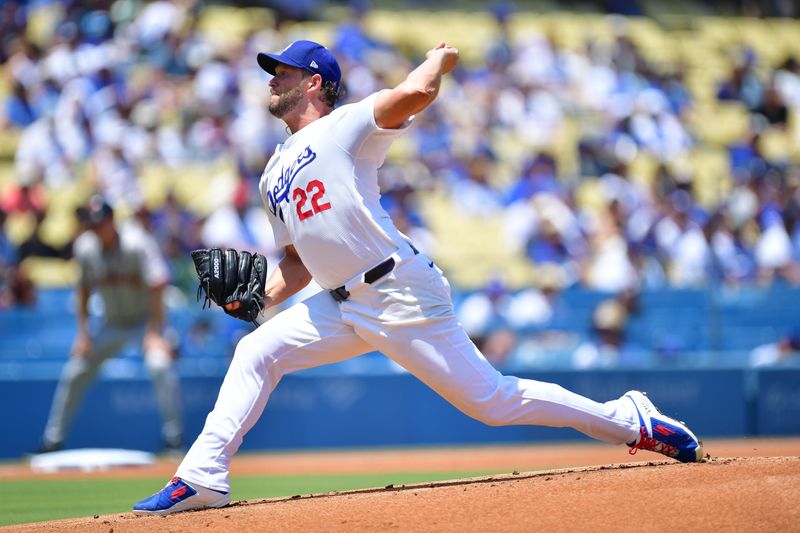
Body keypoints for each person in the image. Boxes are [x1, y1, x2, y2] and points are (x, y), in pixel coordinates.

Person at [133, 40, 703, 515]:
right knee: (256, 350)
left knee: (494, 402)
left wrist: (438, 59)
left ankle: (630, 420)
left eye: (280, 70)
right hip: (340, 304)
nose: (270, 79)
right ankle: (203, 476)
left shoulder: (345, 127)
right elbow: (298, 263)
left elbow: (417, 93)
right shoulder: (272, 173)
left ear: (313, 82)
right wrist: (257, 300)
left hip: (398, 290)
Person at [35, 196, 184, 454]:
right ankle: (52, 440)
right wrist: (83, 334)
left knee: (160, 366)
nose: (97, 229)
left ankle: (173, 439)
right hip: (111, 323)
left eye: (101, 222)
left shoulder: (137, 242)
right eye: (92, 225)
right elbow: (82, 291)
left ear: (112, 220)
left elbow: (158, 286)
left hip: (145, 322)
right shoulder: (85, 247)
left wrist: (154, 333)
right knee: (75, 371)